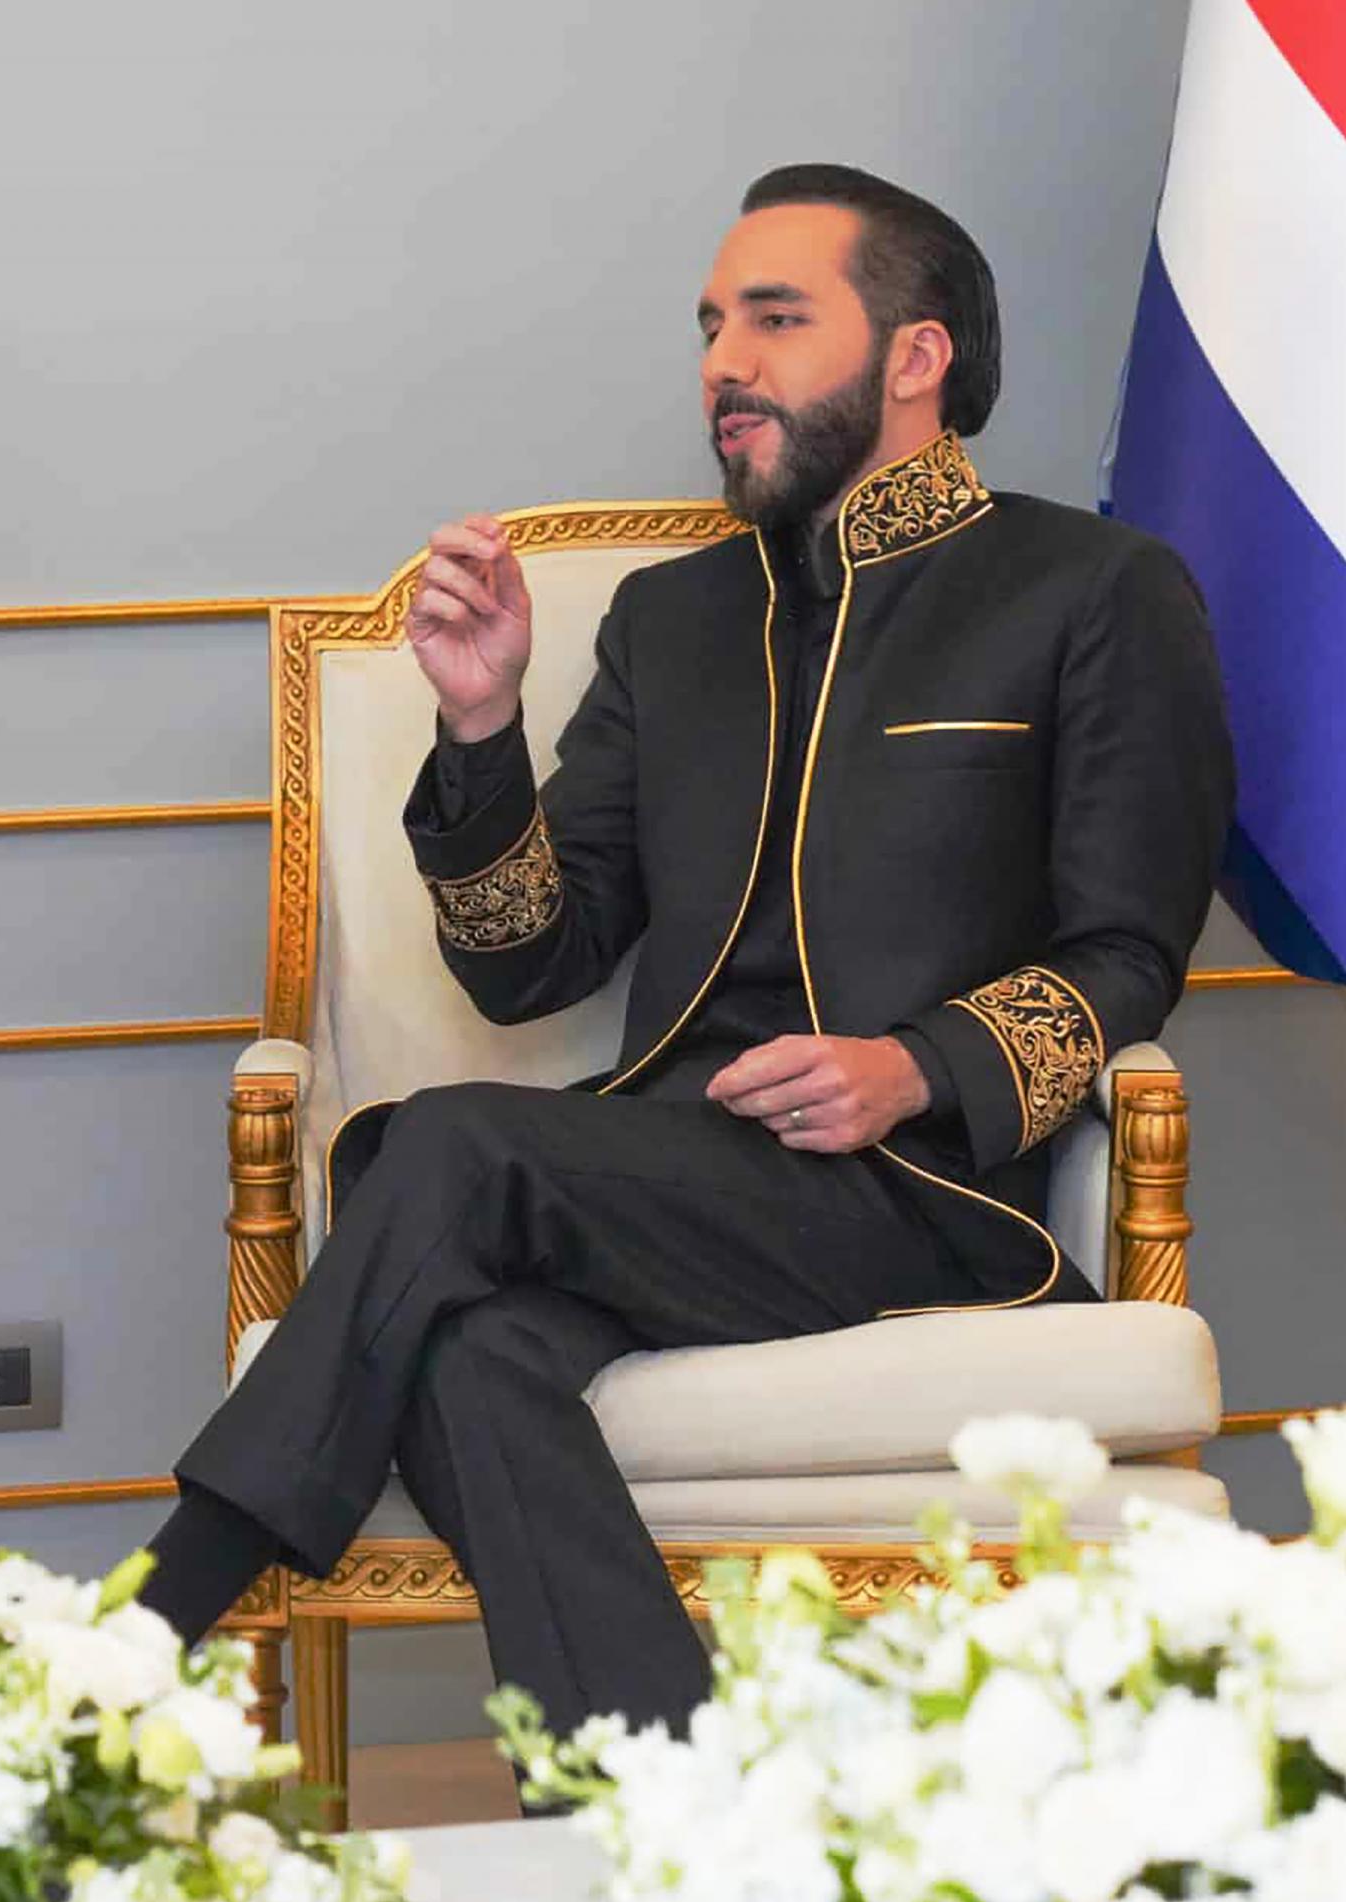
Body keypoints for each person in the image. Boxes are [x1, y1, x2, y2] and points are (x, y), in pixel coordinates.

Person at [136, 165, 1235, 1743]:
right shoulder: (673, 621)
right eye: (716, 325)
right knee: (472, 1338)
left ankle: (148, 1627)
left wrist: (909, 1068)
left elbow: (1129, 951)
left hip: (911, 1194)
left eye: (779, 320)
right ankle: (654, 1806)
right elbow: (534, 962)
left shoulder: (1094, 592)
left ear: (915, 356)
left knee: (422, 1158)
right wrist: (479, 725)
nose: (727, 360)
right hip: (664, 1173)